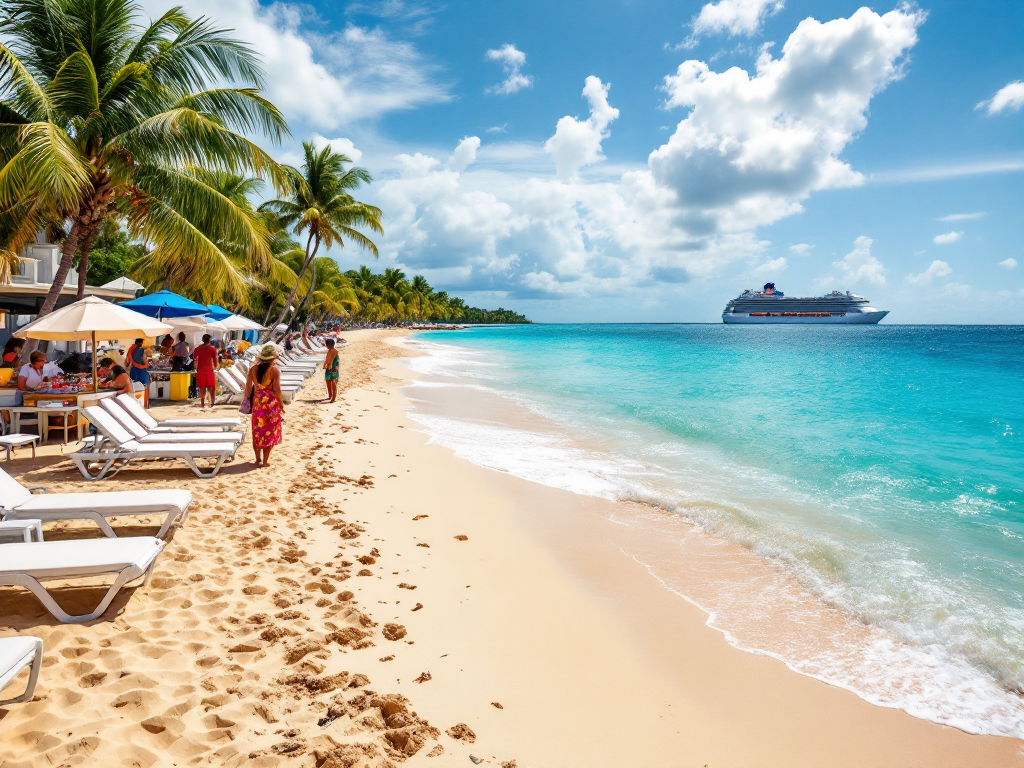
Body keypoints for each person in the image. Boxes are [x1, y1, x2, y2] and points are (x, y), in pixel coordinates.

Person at [244, 343, 283, 467]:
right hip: (271, 405)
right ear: (272, 357)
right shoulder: (274, 370)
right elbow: (277, 390)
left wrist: (246, 401)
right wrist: (281, 405)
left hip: (258, 404)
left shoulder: (253, 369)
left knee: (257, 431)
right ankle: (265, 461)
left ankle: (257, 459)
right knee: (270, 431)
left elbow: (248, 388)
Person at [192, 333, 219, 409]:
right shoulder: (212, 349)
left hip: (200, 370)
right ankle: (212, 403)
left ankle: (202, 404)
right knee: (211, 388)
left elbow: (195, 360)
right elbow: (215, 361)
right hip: (209, 370)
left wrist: (196, 368)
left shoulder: (197, 349)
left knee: (202, 388)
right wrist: (216, 367)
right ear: (209, 340)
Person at [126, 337, 150, 406]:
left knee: (134, 388)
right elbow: (145, 362)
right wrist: (146, 365)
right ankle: (145, 404)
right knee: (144, 388)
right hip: (141, 371)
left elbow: (127, 362)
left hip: (133, 370)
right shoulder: (142, 351)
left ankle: (135, 404)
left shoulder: (131, 350)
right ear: (141, 343)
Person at [322, 338, 339, 403]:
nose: (326, 346)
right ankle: (330, 396)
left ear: (329, 345)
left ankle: (333, 398)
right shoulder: (331, 351)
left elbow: (332, 360)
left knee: (333, 383)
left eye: (326, 345)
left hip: (333, 368)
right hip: (329, 368)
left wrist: (327, 366)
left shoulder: (333, 351)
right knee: (329, 382)